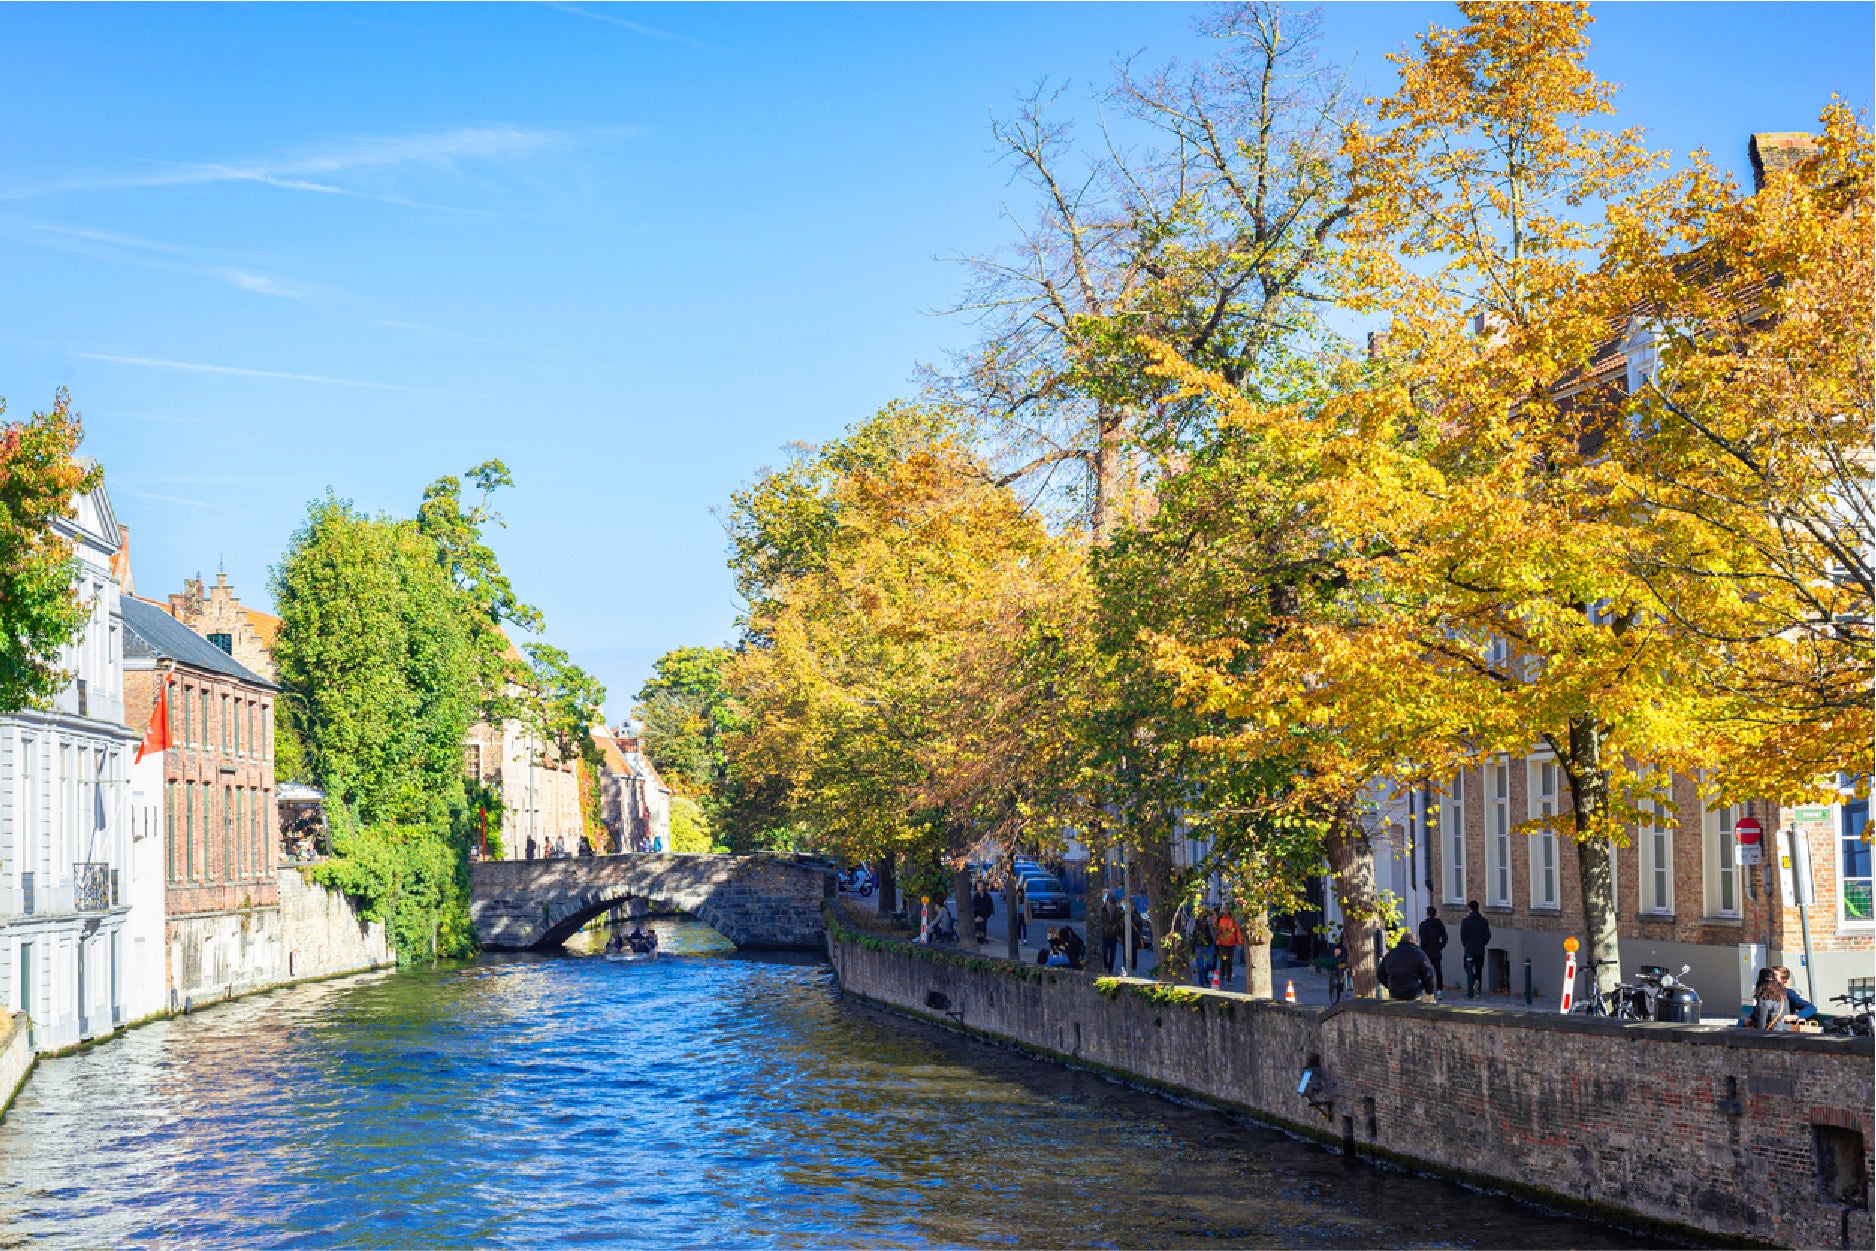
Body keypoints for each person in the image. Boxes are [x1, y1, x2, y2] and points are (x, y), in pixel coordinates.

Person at [1381, 930, 1438, 1001]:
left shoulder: (1390, 954)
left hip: (1395, 993)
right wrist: (1429, 991)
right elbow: (1428, 974)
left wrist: (1389, 985)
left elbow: (1380, 974)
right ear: (1411, 940)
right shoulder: (1419, 954)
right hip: (1414, 992)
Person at [1459, 901, 1491, 999]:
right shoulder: (1484, 921)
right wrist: (1482, 943)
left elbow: (1463, 936)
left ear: (1470, 909)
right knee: (1479, 968)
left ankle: (1472, 983)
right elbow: (1487, 936)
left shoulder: (1465, 921)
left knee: (1467, 967)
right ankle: (1478, 987)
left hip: (1469, 948)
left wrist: (1466, 944)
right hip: (1480, 948)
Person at [1418, 905, 1450, 997]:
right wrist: (1440, 946)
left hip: (1426, 951)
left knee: (1425, 971)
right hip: (1436, 949)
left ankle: (1426, 989)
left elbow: (1423, 938)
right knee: (1438, 971)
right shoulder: (1439, 924)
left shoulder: (1423, 925)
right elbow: (1444, 938)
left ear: (1427, 914)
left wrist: (1422, 948)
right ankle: (1439, 990)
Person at [1213, 910, 1242, 988]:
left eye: (1225, 910)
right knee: (1224, 960)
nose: (1224, 912)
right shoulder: (1219, 919)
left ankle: (1228, 979)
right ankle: (1222, 976)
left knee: (1229, 962)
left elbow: (1237, 931)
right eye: (1223, 911)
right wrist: (1216, 917)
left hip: (1231, 944)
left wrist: (1239, 942)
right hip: (1222, 944)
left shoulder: (1232, 920)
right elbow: (1215, 927)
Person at [1190, 908, 1216, 986]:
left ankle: (1204, 978)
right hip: (1200, 946)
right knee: (1202, 964)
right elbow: (1193, 935)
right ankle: (1202, 981)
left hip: (1207, 945)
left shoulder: (1209, 924)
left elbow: (1213, 934)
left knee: (1208, 964)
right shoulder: (1197, 924)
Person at [1100, 894, 1122, 973]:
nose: (1112, 905)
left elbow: (1120, 921)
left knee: (1112, 954)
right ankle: (1105, 965)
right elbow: (1099, 921)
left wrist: (1117, 929)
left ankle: (1110, 969)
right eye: (1110, 903)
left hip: (1113, 935)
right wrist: (1104, 927)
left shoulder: (1117, 911)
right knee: (1104, 951)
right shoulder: (1102, 910)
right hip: (1104, 935)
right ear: (1107, 903)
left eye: (1113, 903)